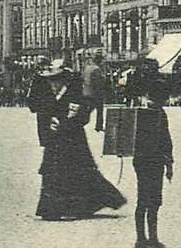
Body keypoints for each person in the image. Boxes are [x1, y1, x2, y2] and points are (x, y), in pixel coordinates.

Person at [35, 61, 126, 220]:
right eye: (50, 80)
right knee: (52, 173)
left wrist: (65, 122)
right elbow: (41, 112)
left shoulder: (74, 92)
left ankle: (79, 205)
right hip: (55, 140)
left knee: (78, 171)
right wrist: (48, 125)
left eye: (55, 79)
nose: (52, 83)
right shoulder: (49, 94)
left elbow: (83, 115)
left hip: (73, 139)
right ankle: (52, 208)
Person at [134, 80, 174, 247]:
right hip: (155, 161)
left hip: (141, 161)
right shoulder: (158, 114)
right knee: (154, 200)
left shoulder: (138, 113)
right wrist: (170, 163)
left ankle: (141, 239)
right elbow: (166, 140)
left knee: (143, 199)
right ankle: (152, 238)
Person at [82, 53, 107, 132]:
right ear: (99, 60)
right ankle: (99, 126)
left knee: (88, 109)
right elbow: (98, 83)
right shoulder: (97, 69)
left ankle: (80, 122)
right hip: (95, 93)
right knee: (99, 110)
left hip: (86, 92)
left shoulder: (86, 68)